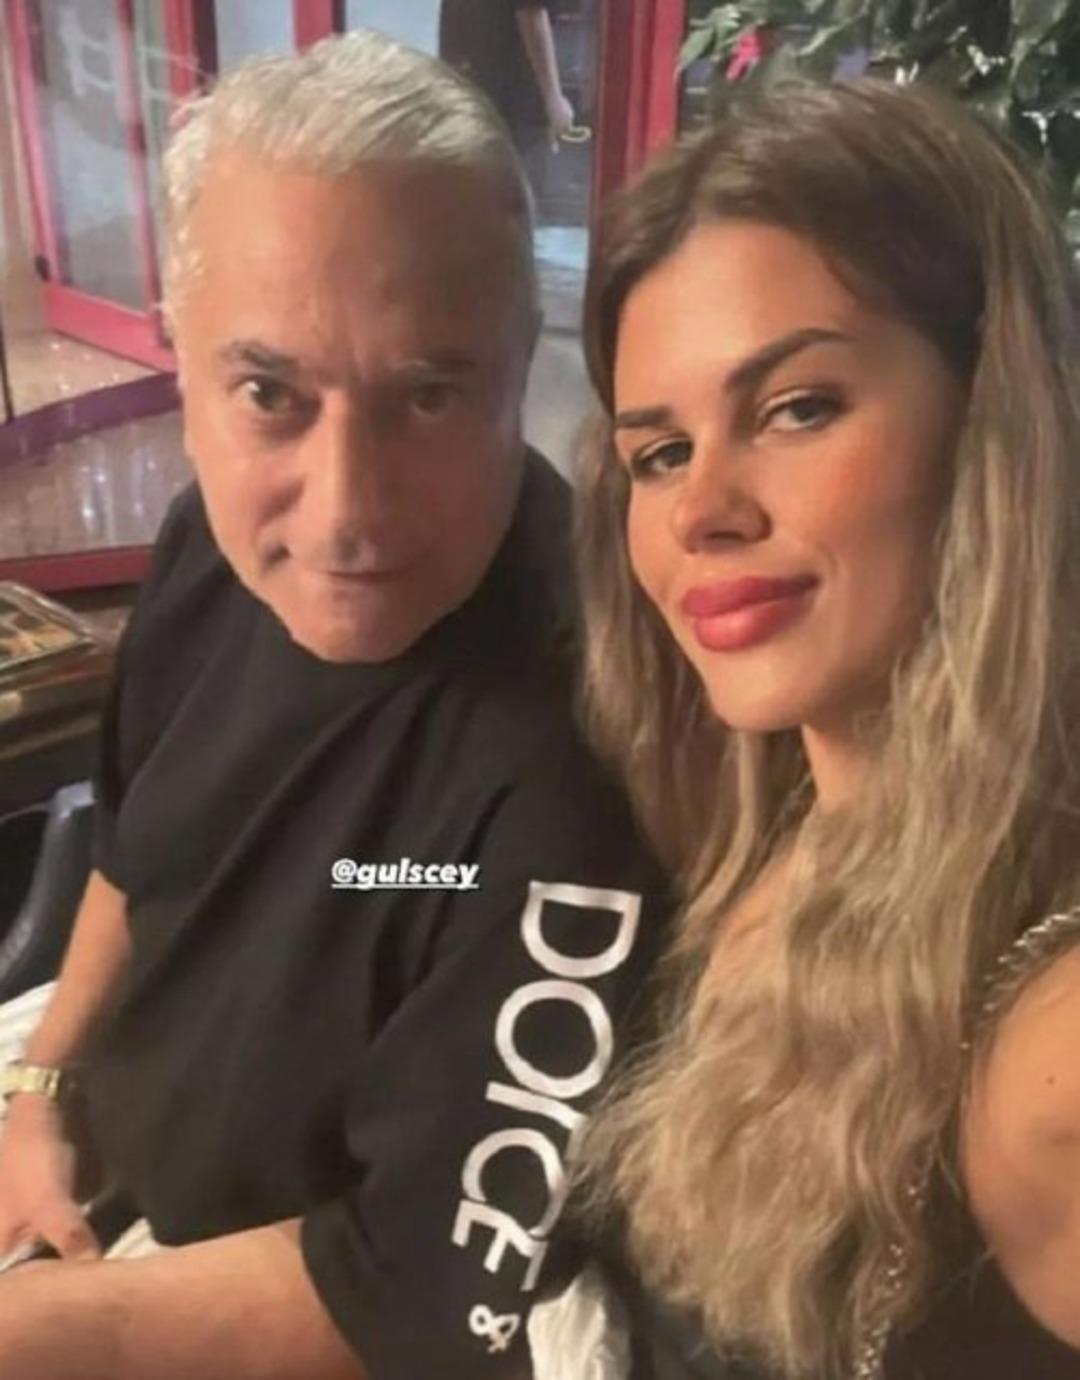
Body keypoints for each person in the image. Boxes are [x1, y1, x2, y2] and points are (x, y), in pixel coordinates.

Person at [0, 31, 667, 1380]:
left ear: (522, 364)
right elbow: (138, 851)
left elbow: (409, 1290)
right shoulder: (209, 552)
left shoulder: (581, 762)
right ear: (182, 364)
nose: (347, 513)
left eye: (428, 396)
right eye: (270, 394)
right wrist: (43, 1089)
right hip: (88, 1184)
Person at [530, 80, 1080, 1379]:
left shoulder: (1049, 1055)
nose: (700, 512)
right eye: (660, 454)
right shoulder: (748, 827)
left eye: (796, 408)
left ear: (991, 421)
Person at [439, 0, 575, 190]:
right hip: (514, 92)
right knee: (519, 184)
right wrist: (553, 97)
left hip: (472, 82)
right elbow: (531, 15)